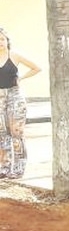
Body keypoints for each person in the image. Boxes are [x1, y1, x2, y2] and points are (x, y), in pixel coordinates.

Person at [0, 27, 41, 179]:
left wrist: (21, 77)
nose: (0, 43)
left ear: (7, 40)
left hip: (15, 97)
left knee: (16, 134)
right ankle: (4, 167)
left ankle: (18, 167)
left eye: (2, 39)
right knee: (2, 134)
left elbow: (36, 68)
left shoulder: (14, 55)